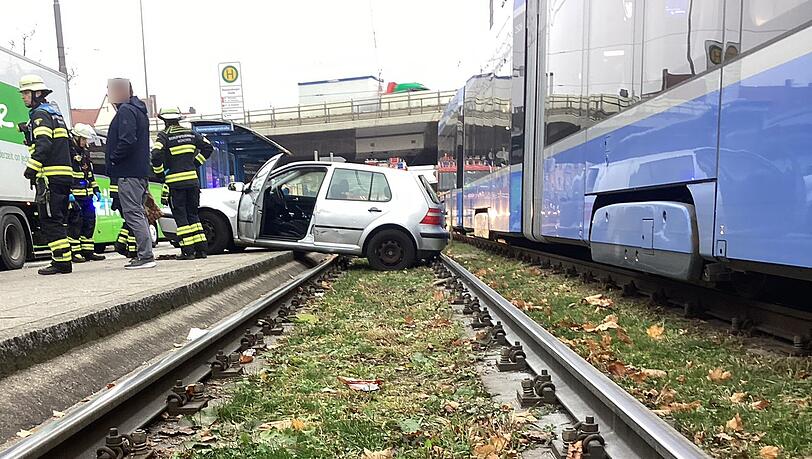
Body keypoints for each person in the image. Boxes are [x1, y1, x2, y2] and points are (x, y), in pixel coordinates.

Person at [19, 74, 73, 275]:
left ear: (37, 93)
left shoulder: (40, 115)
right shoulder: (54, 113)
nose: (23, 97)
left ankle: (61, 263)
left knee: (50, 219)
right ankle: (63, 260)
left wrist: (31, 167)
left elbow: (43, 144)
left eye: (26, 93)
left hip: (50, 176)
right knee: (57, 218)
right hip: (62, 175)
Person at [104, 78, 155, 269]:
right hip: (139, 172)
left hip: (128, 172)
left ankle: (145, 256)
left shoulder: (126, 111)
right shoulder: (138, 111)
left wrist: (114, 159)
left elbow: (127, 140)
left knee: (133, 213)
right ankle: (145, 255)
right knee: (138, 213)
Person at [150, 107, 213, 260]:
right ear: (179, 119)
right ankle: (201, 250)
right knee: (193, 215)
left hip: (176, 184)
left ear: (164, 120)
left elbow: (156, 154)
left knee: (181, 217)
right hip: (192, 182)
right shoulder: (191, 134)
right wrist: (195, 163)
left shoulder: (164, 136)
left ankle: (188, 251)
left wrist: (159, 173)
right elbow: (208, 147)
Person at [67, 123, 105, 263]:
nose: (86, 142)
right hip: (75, 195)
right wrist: (69, 192)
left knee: (89, 222)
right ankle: (75, 253)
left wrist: (96, 189)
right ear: (76, 138)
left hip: (87, 195)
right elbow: (67, 174)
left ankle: (88, 251)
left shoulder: (84, 153)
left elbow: (89, 174)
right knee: (75, 223)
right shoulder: (69, 153)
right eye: (84, 139)